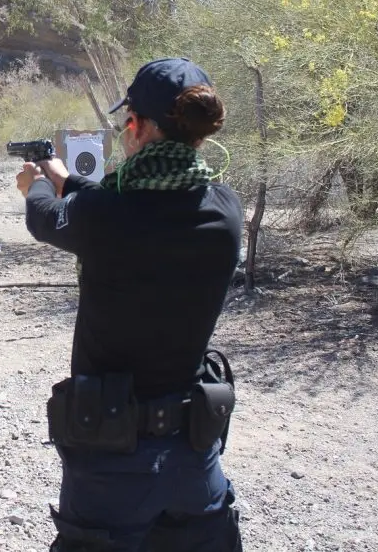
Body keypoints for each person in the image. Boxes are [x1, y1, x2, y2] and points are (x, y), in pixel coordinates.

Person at [15, 57, 245, 551]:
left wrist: (35, 182)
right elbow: (126, 212)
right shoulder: (225, 209)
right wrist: (66, 179)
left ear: (138, 126)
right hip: (194, 448)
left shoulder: (106, 214)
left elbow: (46, 219)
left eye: (127, 122)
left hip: (110, 455)